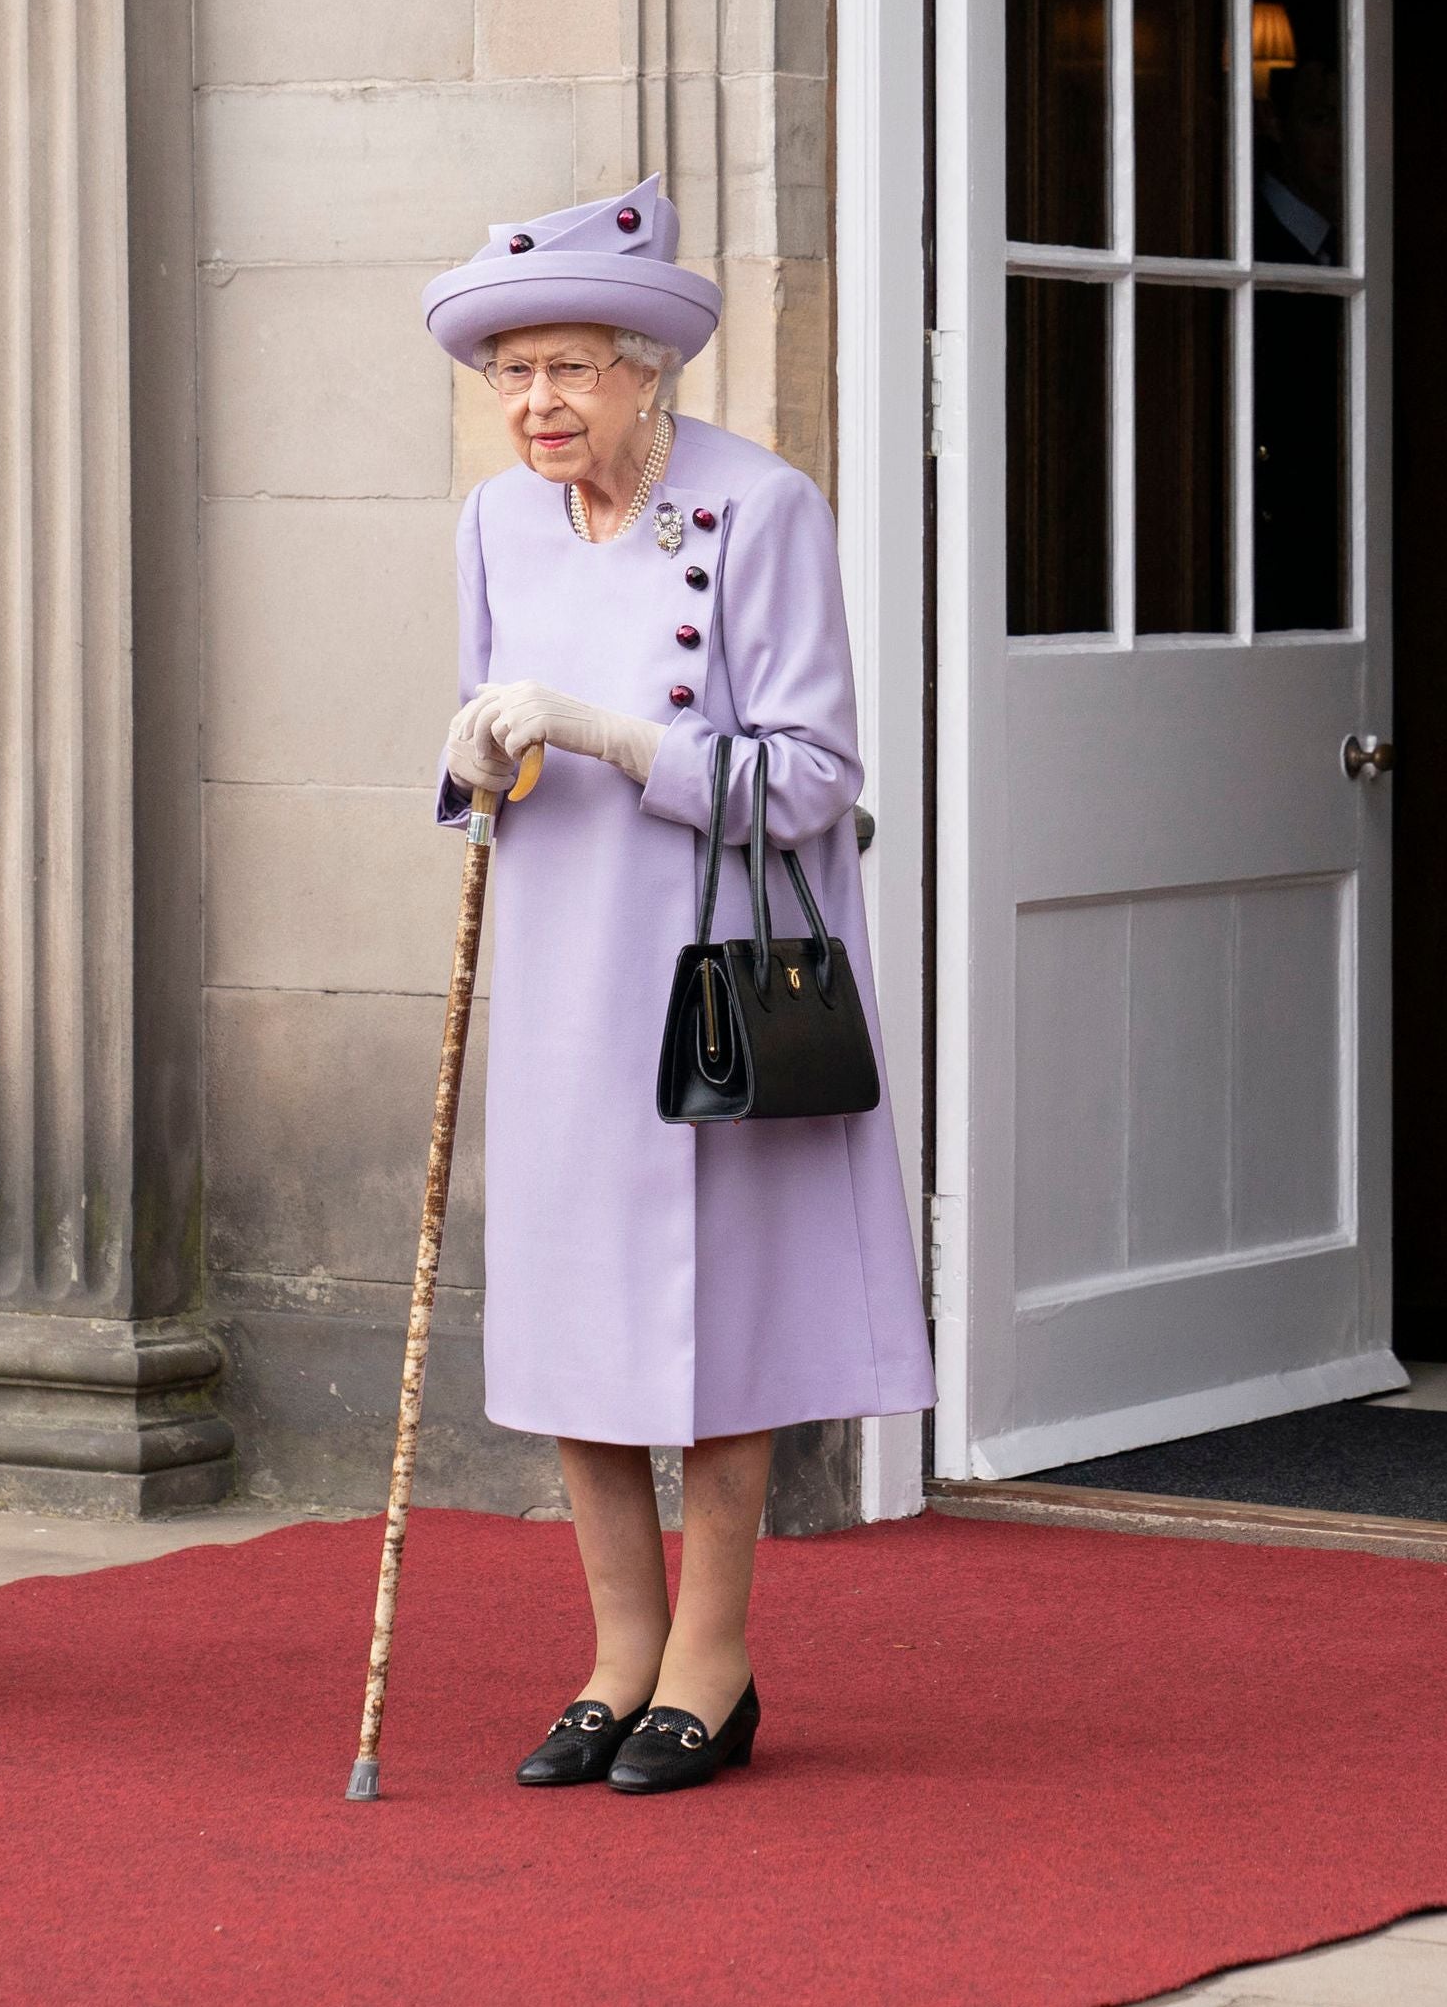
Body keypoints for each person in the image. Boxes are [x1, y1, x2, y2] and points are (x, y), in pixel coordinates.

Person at [419, 178, 934, 1794]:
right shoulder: (495, 519)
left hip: (715, 966)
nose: (539, 402)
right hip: (567, 960)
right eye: (512, 371)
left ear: (650, 368)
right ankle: (613, 1653)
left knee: (722, 1319)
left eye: (573, 366)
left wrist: (619, 735)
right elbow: (486, 725)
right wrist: (473, 757)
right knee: (578, 1309)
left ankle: (711, 1658)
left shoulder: (759, 509)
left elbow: (816, 777)